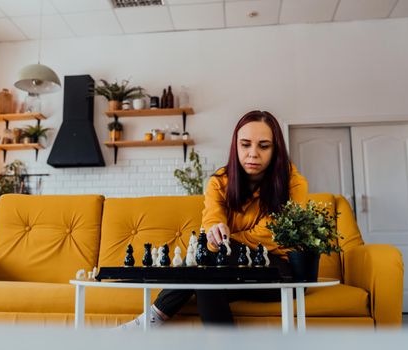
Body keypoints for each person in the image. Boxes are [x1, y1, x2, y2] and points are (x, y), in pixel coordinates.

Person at [120, 110, 308, 329]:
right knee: (205, 280)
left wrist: (220, 246)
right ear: (235, 146)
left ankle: (150, 320)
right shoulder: (219, 182)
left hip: (280, 272)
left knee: (207, 264)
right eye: (245, 144)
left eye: (264, 146)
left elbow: (274, 235)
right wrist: (215, 231)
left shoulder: (294, 183)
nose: (253, 153)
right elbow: (211, 218)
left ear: (276, 149)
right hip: (230, 270)